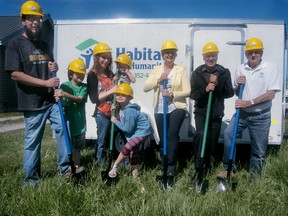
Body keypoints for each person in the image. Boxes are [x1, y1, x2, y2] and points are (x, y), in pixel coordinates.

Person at [4, 0, 70, 186]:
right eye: (31, 19)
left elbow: (49, 68)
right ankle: (31, 180)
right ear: (23, 21)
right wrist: (45, 82)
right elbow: (15, 74)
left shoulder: (44, 44)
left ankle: (65, 170)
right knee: (33, 142)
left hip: (52, 100)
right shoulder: (14, 44)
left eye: (38, 19)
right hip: (31, 102)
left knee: (65, 132)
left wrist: (54, 66)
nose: (35, 22)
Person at [219, 37, 281, 179]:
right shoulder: (241, 68)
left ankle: (254, 178)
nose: (253, 55)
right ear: (246, 54)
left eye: (256, 52)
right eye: (250, 52)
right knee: (228, 134)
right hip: (242, 114)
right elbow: (236, 91)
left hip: (261, 116)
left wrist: (249, 102)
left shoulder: (270, 68)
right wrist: (237, 86)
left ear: (261, 53)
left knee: (258, 150)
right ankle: (229, 170)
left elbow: (271, 94)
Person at [143, 39, 191, 186]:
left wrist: (172, 95)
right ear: (162, 55)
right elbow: (145, 87)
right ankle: (163, 167)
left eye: (172, 52)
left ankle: (171, 168)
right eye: (166, 52)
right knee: (163, 139)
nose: (169, 54)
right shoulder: (157, 70)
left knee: (171, 135)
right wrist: (159, 80)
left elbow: (188, 91)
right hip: (159, 108)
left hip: (177, 107)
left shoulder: (180, 70)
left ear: (175, 55)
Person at [190, 42, 234, 179]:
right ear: (204, 57)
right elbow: (193, 95)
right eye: (208, 56)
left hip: (216, 113)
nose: (211, 59)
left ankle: (209, 165)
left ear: (217, 57)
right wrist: (206, 89)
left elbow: (229, 93)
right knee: (201, 135)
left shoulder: (224, 72)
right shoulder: (197, 73)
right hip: (201, 112)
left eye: (213, 56)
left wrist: (217, 84)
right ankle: (198, 164)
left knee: (212, 140)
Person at [108, 83, 151, 179]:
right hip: (136, 133)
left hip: (142, 132)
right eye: (118, 94)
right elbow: (122, 121)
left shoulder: (129, 111)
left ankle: (115, 166)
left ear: (129, 97)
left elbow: (127, 128)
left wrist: (115, 121)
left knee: (127, 148)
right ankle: (136, 179)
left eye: (123, 95)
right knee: (133, 156)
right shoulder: (122, 109)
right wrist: (113, 112)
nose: (119, 96)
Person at [54, 59, 88, 173]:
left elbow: (79, 99)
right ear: (71, 73)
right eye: (78, 73)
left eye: (83, 74)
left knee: (77, 149)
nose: (81, 76)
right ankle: (67, 168)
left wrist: (64, 94)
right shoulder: (65, 85)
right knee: (67, 147)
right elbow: (64, 103)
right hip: (68, 124)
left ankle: (77, 167)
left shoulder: (84, 87)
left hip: (80, 124)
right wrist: (59, 98)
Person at [87, 42, 117, 167]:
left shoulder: (110, 74)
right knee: (101, 140)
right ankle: (100, 164)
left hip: (113, 111)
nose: (106, 60)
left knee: (112, 138)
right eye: (103, 57)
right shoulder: (92, 75)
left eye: (108, 57)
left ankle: (114, 161)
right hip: (101, 112)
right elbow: (94, 98)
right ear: (96, 58)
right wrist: (111, 90)